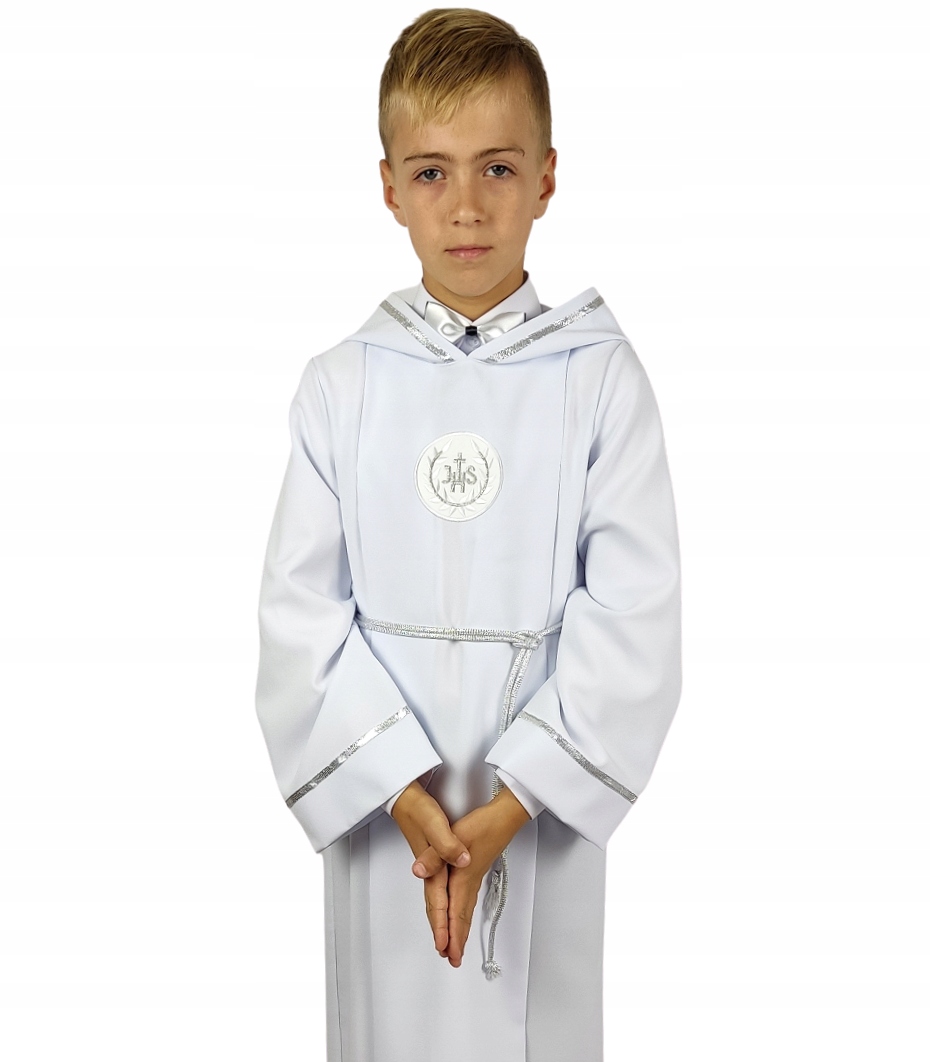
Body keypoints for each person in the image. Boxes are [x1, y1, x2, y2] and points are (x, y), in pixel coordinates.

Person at [254, 9, 682, 1061]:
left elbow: (634, 612)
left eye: (497, 168)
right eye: (432, 173)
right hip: (385, 816)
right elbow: (300, 619)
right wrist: (404, 795)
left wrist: (515, 799)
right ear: (390, 188)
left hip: (533, 814)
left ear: (545, 178)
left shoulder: (598, 379)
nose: (467, 207)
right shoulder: (342, 386)